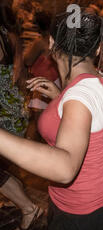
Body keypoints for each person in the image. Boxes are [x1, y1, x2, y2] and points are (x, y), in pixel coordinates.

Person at [0, 9, 103, 230]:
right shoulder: (99, 77)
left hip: (79, 208)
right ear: (99, 47)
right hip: (101, 195)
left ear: (52, 43)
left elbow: (65, 167)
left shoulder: (78, 96)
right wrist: (61, 99)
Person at [23, 10, 60, 141]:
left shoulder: (40, 42)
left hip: (43, 84)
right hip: (57, 82)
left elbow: (27, 60)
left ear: (38, 26)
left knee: (38, 122)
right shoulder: (57, 39)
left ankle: (35, 148)